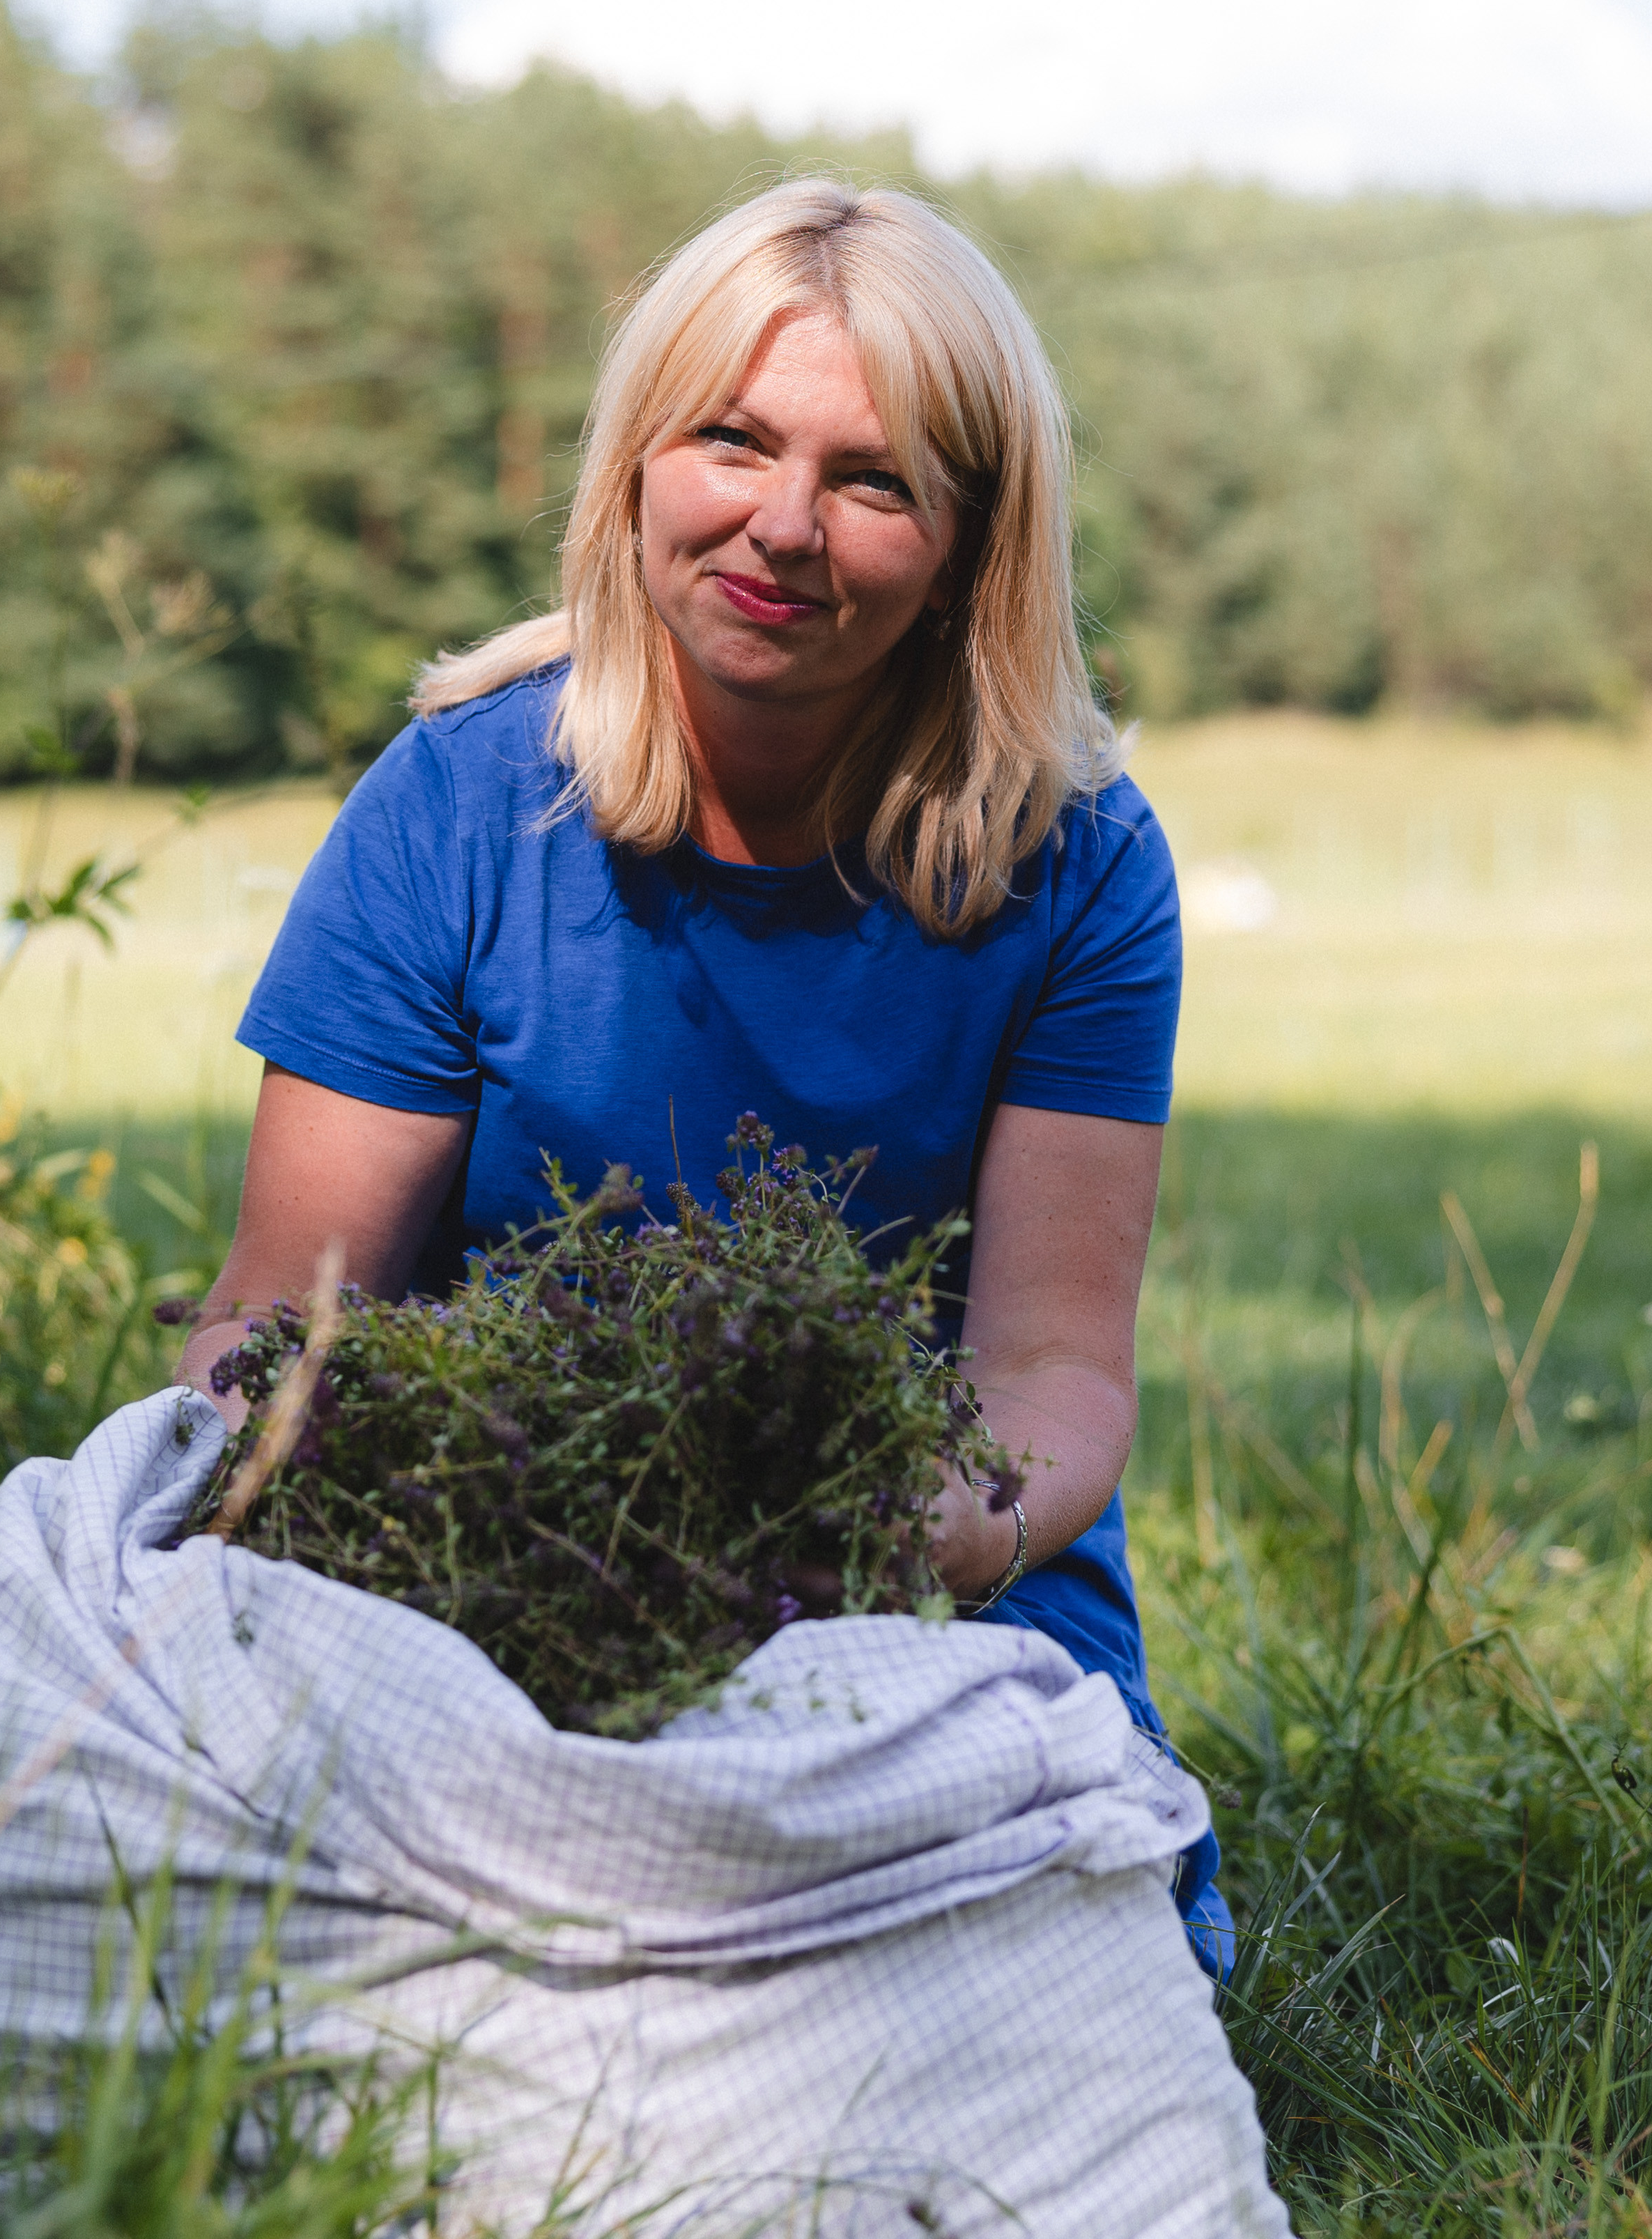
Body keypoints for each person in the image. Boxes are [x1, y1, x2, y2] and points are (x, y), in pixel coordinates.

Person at [175, 174, 1228, 1972]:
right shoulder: (458, 809)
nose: (785, 525)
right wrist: (495, 1542)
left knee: (1055, 1951)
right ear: (638, 465)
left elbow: (1051, 1380)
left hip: (912, 1569)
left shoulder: (1079, 867)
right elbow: (274, 1323)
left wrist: (837, 1567)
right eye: (732, 441)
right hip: (487, 1547)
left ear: (978, 541)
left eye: (876, 479)